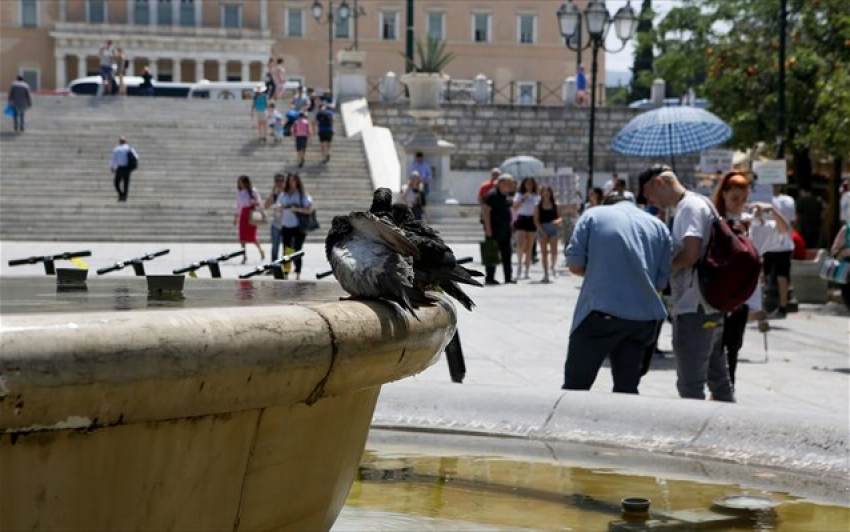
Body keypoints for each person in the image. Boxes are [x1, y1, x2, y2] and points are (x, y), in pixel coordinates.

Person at [638, 166, 735, 402]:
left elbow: (691, 254)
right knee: (718, 381)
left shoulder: (689, 208)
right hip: (710, 305)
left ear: (659, 182)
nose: (650, 201)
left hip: (695, 306)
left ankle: (695, 426)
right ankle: (728, 423)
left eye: (649, 194)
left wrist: (662, 271)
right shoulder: (700, 202)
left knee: (690, 385)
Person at [563, 195, 672, 394]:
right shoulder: (659, 226)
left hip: (600, 313)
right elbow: (660, 283)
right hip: (643, 320)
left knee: (575, 389)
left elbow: (575, 265)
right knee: (627, 390)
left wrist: (601, 272)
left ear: (606, 203)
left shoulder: (593, 215)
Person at [711, 172, 760, 389]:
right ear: (724, 195)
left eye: (743, 198)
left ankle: (728, 385)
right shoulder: (714, 221)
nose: (739, 203)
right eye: (734, 198)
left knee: (734, 343)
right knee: (715, 342)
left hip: (741, 292)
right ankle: (716, 384)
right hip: (717, 289)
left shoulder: (749, 222)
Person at [276, 173, 313, 280]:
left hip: (298, 226)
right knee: (286, 250)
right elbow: (278, 207)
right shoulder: (283, 194)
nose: (292, 182)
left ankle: (298, 272)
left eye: (294, 180)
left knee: (297, 249)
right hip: (286, 225)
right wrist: (280, 208)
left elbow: (309, 209)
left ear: (297, 181)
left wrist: (296, 209)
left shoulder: (302, 194)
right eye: (290, 180)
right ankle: (286, 271)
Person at [482, 174, 516, 285]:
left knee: (507, 254)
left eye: (511, 184)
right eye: (508, 183)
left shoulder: (506, 195)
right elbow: (485, 211)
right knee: (491, 253)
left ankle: (508, 278)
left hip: (505, 230)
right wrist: (488, 228)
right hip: (493, 230)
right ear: (501, 183)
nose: (510, 186)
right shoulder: (492, 195)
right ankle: (490, 278)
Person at [513, 178, 540, 280]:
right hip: (521, 219)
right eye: (527, 184)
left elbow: (538, 210)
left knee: (529, 246)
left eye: (531, 184)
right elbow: (515, 207)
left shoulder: (537, 196)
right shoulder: (519, 195)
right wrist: (523, 198)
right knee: (520, 245)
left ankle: (527, 270)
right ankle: (519, 265)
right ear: (524, 185)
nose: (529, 186)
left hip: (532, 220)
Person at [234, 175, 266, 263]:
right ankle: (244, 256)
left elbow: (259, 202)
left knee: (252, 236)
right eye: (239, 182)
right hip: (243, 214)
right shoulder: (239, 192)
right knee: (242, 237)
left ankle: (261, 250)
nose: (240, 184)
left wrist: (254, 203)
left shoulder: (253, 191)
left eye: (241, 182)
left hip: (251, 214)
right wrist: (236, 217)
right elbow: (238, 205)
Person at [534, 185, 562, 283]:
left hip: (553, 228)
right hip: (542, 228)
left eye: (548, 191)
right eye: (544, 191)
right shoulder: (538, 205)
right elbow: (536, 220)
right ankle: (546, 274)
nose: (546, 193)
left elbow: (560, 217)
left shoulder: (555, 204)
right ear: (541, 193)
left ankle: (553, 266)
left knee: (554, 251)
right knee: (544, 253)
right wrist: (542, 231)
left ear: (551, 193)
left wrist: (557, 221)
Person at [264, 173, 287, 261]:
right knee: (275, 247)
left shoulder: (288, 193)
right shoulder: (274, 194)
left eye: (281, 181)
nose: (279, 183)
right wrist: (272, 192)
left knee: (288, 248)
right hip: (276, 225)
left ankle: (287, 267)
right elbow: (266, 206)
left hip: (288, 225)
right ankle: (274, 266)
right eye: (277, 181)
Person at [110, 136, 139, 202]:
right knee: (126, 183)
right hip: (127, 168)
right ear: (126, 141)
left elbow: (113, 159)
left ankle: (121, 194)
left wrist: (112, 167)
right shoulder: (129, 148)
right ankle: (124, 197)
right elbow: (137, 157)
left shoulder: (116, 149)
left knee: (116, 183)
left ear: (119, 142)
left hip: (120, 168)